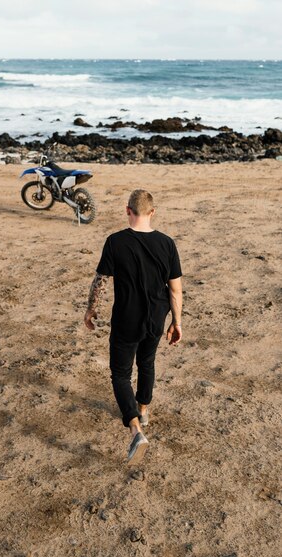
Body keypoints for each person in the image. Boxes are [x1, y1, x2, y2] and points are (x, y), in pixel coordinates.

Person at [84, 189, 183, 464]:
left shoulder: (115, 242)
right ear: (152, 213)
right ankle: (143, 408)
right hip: (156, 317)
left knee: (120, 374)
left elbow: (100, 281)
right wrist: (176, 322)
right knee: (147, 363)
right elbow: (175, 290)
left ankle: (136, 428)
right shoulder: (167, 243)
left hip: (126, 318)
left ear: (127, 210)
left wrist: (90, 312)